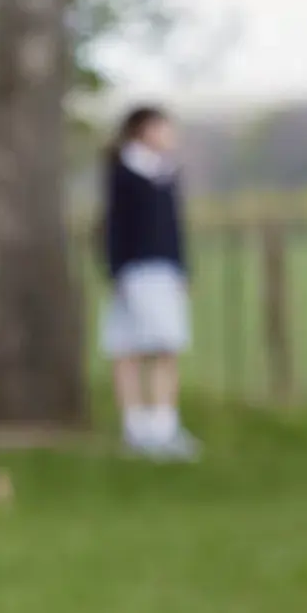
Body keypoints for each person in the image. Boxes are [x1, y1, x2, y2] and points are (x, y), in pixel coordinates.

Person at [98, 105, 199, 460]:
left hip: (164, 272)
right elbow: (113, 226)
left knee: (163, 347)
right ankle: (139, 427)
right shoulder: (125, 172)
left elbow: (175, 230)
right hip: (137, 273)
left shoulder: (164, 173)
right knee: (133, 349)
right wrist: (116, 270)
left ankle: (162, 424)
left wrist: (183, 269)